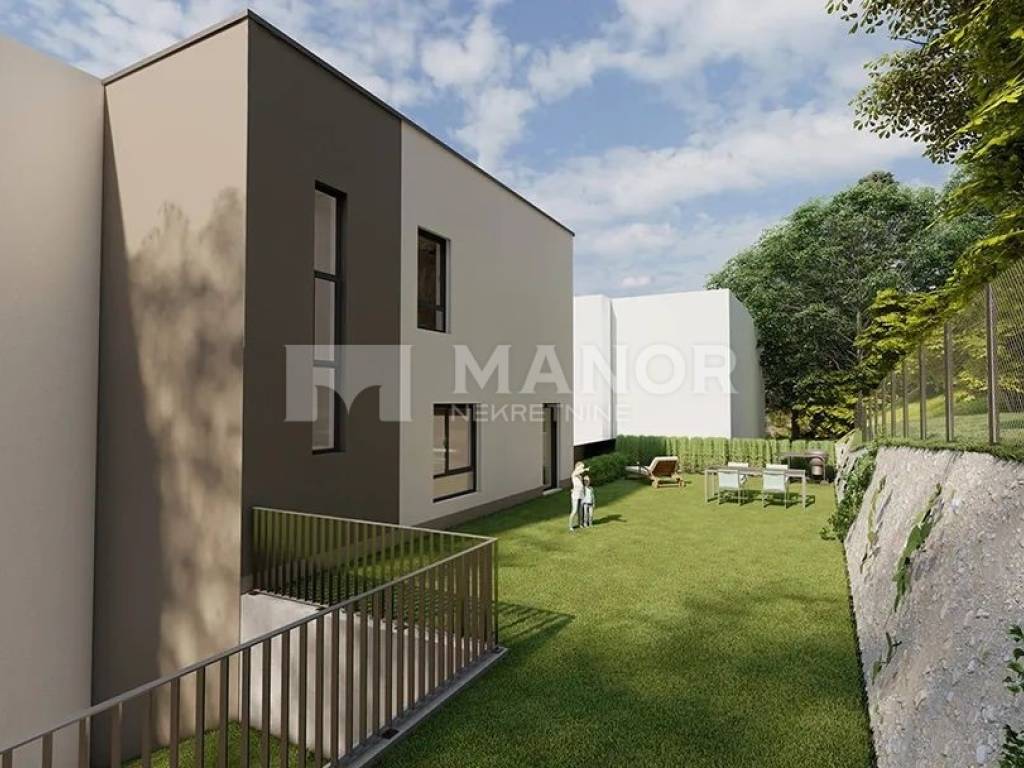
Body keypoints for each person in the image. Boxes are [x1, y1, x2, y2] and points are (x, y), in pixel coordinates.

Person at [569, 461, 587, 532]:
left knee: (581, 510)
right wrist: (584, 469)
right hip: (575, 495)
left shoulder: (580, 476)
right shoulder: (574, 474)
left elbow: (581, 485)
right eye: (581, 467)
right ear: (577, 467)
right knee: (574, 510)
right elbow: (577, 472)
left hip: (581, 494)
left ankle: (580, 524)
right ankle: (570, 526)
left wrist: (584, 493)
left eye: (583, 467)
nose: (582, 468)